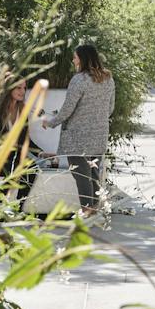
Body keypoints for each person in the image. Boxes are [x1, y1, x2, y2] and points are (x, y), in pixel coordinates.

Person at [42, 45, 116, 215]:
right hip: (99, 134)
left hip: (77, 137)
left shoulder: (79, 80)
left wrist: (50, 122)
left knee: (81, 174)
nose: (73, 60)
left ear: (83, 59)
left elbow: (68, 109)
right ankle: (93, 210)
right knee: (93, 173)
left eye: (75, 57)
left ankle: (87, 211)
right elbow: (110, 108)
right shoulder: (108, 79)